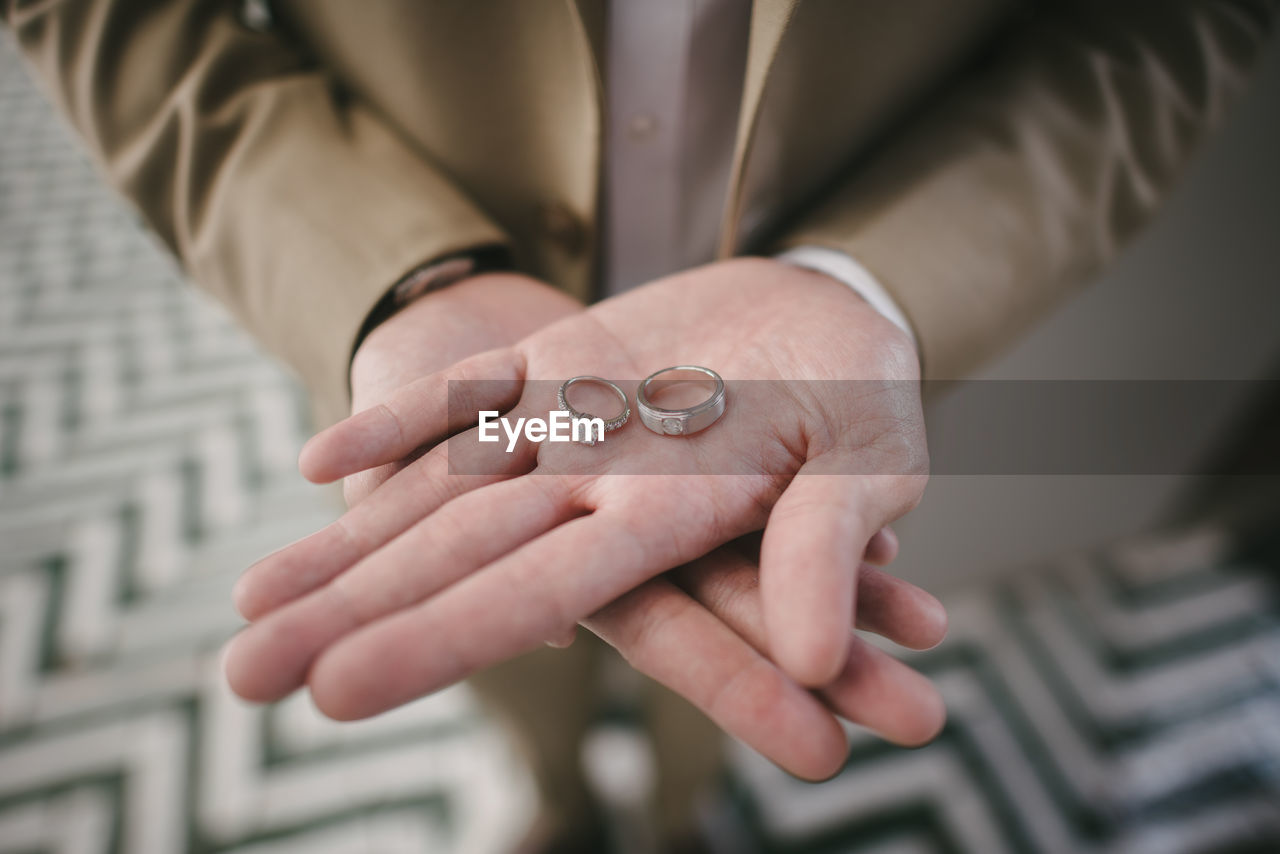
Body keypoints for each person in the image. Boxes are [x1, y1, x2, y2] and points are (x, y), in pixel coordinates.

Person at [6, 1, 1274, 851]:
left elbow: (1174, 22)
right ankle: (552, 799)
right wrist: (394, 273)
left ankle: (683, 808)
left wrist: (867, 288)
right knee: (498, 630)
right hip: (458, 361)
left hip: (801, 391)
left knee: (761, 653)